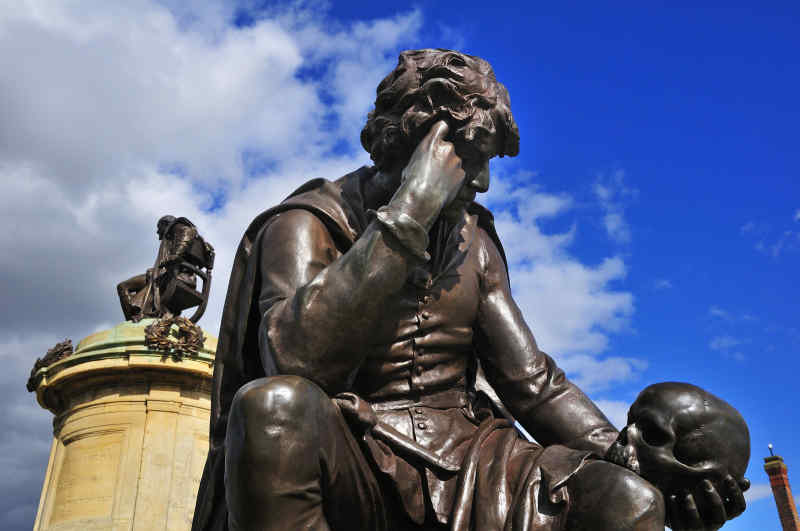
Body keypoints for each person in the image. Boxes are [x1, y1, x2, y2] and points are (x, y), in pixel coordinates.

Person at [192, 49, 746, 531]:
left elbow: (534, 384)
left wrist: (622, 456)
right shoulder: (307, 224)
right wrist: (411, 210)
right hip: (350, 451)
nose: (481, 181)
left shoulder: (474, 240)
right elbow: (298, 360)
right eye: (472, 158)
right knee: (274, 407)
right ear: (421, 141)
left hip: (472, 462)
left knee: (625, 501)